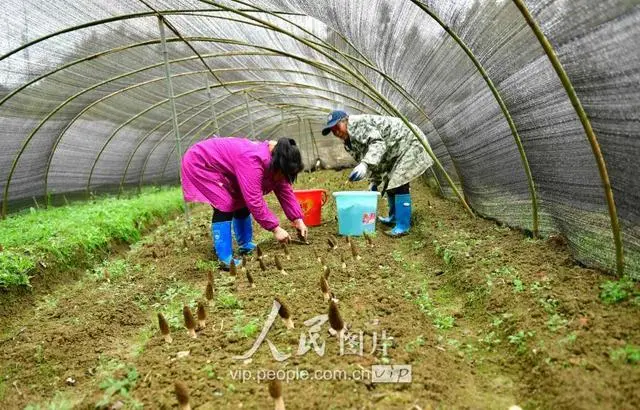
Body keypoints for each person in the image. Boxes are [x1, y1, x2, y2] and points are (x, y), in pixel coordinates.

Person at [181, 137, 308, 269]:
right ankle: (225, 259)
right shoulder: (253, 160)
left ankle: (245, 244)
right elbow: (254, 200)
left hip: (218, 165)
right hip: (201, 162)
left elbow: (284, 189)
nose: (284, 178)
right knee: (224, 204)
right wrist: (275, 228)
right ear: (278, 165)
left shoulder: (278, 158)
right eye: (284, 174)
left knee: (241, 200)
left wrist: (297, 219)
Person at [322, 110, 434, 237]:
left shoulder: (358, 124)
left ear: (345, 120)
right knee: (388, 179)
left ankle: (403, 225)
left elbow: (378, 144)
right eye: (332, 130)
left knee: (399, 180)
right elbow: (374, 161)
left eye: (337, 127)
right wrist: (373, 181)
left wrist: (365, 165)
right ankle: (393, 218)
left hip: (410, 141)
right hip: (393, 149)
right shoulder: (349, 143)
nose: (336, 132)